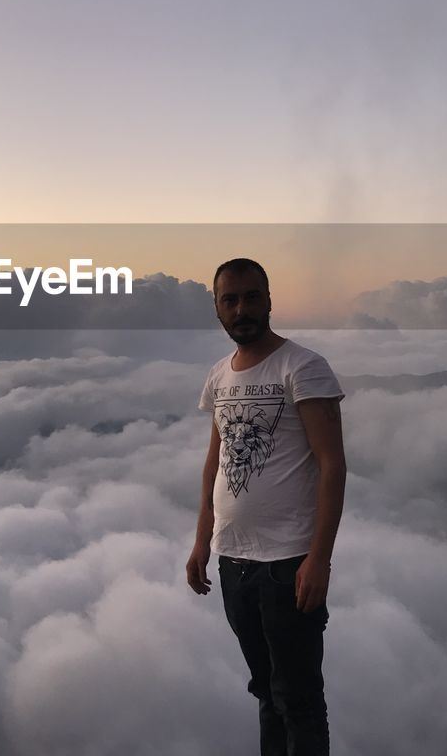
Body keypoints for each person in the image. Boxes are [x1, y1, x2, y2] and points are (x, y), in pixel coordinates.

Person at [186, 257, 346, 756]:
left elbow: (332, 465)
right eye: (230, 300)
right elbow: (216, 463)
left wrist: (318, 558)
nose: (241, 309)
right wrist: (200, 543)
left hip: (288, 564)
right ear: (216, 308)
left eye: (252, 296)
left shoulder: (304, 367)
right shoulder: (218, 376)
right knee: (265, 691)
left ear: (270, 299)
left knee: (297, 699)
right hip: (233, 564)